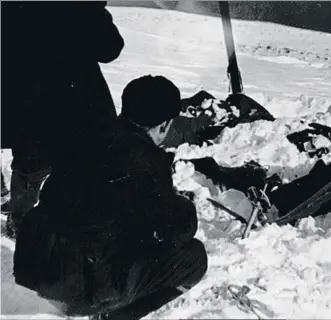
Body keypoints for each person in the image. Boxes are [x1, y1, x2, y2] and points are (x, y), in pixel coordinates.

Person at [13, 75, 208, 320]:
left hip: (34, 262)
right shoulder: (145, 158)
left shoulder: (87, 134)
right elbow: (173, 232)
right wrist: (184, 205)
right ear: (164, 125)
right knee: (194, 258)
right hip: (77, 287)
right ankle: (115, 316)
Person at [1, 1, 125, 238]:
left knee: (29, 165)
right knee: (81, 165)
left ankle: (20, 222)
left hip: (26, 103)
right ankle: (72, 225)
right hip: (77, 106)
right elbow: (110, 48)